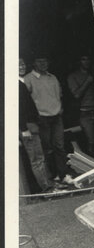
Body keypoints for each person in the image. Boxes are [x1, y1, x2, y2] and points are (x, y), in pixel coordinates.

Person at [24, 55, 71, 185]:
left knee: (59, 146)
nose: (43, 64)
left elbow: (59, 94)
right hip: (41, 118)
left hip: (56, 117)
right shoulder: (28, 79)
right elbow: (25, 101)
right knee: (46, 148)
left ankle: (63, 175)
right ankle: (52, 177)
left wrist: (60, 108)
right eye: (39, 61)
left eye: (45, 61)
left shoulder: (53, 77)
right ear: (34, 63)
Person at [66, 53, 94, 159]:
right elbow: (76, 95)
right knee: (91, 141)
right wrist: (88, 81)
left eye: (88, 59)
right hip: (85, 112)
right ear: (79, 62)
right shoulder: (73, 76)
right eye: (83, 59)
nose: (86, 62)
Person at [19, 58, 51, 192]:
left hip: (32, 125)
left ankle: (48, 185)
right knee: (37, 159)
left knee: (40, 158)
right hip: (27, 127)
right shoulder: (16, 84)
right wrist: (24, 129)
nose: (21, 67)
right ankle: (47, 189)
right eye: (18, 65)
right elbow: (17, 109)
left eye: (22, 64)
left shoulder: (21, 82)